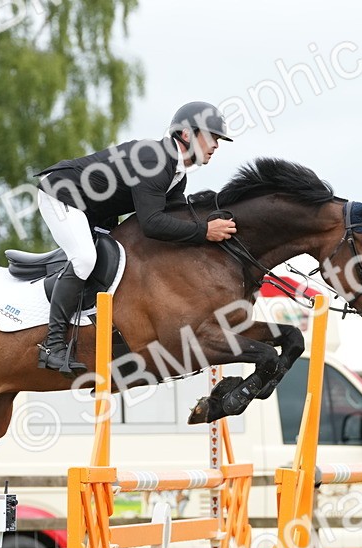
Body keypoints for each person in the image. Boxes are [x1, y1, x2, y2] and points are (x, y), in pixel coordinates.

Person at [33, 100, 237, 375]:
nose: (216, 145)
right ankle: (52, 345)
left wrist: (208, 218)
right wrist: (204, 232)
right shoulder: (154, 159)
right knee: (84, 259)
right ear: (187, 134)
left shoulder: (177, 175)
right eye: (212, 137)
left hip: (94, 210)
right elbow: (152, 223)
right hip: (61, 194)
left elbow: (174, 219)